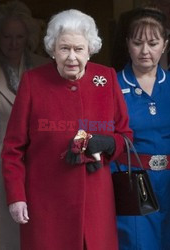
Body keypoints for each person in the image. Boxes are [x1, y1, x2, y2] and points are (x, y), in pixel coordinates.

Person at [1, 9, 132, 250]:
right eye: (64, 48)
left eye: (79, 49)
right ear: (52, 49)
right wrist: (16, 197)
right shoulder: (33, 82)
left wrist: (109, 143)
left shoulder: (106, 78)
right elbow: (13, 148)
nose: (72, 57)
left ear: (90, 49)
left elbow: (125, 136)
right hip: (46, 207)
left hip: (95, 206)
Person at [111, 6, 170, 250]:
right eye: (137, 43)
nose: (145, 51)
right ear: (127, 44)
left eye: (153, 43)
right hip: (133, 180)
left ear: (165, 45)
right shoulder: (111, 83)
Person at [0, 1, 50, 249]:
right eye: (7, 36)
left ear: (28, 36)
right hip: (1, 159)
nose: (13, 43)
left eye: (19, 36)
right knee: (6, 232)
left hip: (40, 161)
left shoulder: (45, 68)